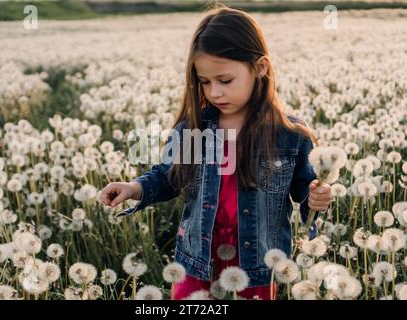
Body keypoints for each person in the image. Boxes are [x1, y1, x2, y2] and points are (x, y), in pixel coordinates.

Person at [100, 5, 332, 300]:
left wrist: (316, 198)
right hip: (198, 258)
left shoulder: (290, 134)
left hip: (258, 262)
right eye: (205, 82)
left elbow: (305, 192)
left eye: (225, 81)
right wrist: (135, 187)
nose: (214, 92)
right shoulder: (193, 127)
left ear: (260, 68)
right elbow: (170, 177)